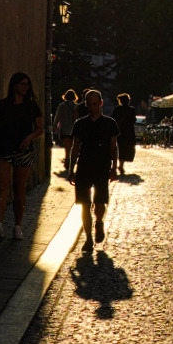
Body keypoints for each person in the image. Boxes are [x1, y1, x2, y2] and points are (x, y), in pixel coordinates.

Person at [0, 72, 44, 240]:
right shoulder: (2, 105)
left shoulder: (32, 106)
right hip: (3, 148)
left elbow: (39, 128)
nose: (26, 87)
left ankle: (18, 226)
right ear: (14, 85)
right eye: (23, 84)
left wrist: (30, 137)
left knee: (19, 188)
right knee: (2, 186)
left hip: (23, 150)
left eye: (27, 84)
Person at [68, 89, 120, 252]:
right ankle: (88, 238)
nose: (92, 107)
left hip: (102, 166)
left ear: (100, 103)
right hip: (84, 166)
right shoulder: (80, 124)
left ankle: (99, 222)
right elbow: (75, 148)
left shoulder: (110, 123)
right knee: (84, 204)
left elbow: (113, 147)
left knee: (99, 202)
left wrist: (114, 168)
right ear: (86, 104)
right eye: (89, 104)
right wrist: (71, 169)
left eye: (95, 104)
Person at [53, 89, 79, 173]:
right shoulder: (76, 106)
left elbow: (57, 116)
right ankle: (71, 162)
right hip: (74, 129)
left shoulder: (61, 105)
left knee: (67, 148)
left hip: (64, 129)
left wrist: (55, 125)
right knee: (73, 147)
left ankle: (67, 161)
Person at [114, 93, 138, 174]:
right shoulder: (131, 110)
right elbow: (134, 120)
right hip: (129, 132)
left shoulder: (117, 109)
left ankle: (119, 165)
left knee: (120, 148)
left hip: (119, 131)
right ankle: (121, 165)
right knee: (127, 148)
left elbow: (113, 119)